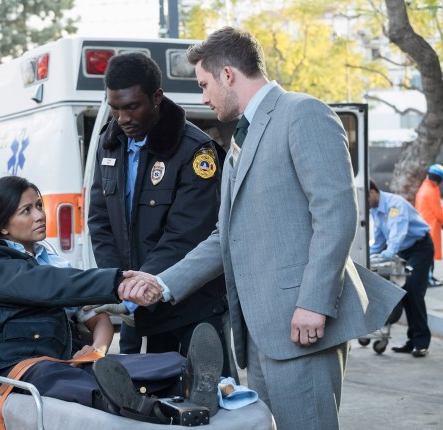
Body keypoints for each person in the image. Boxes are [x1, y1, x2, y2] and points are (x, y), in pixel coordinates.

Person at [118, 27, 404, 430]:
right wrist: (162, 284)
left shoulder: (303, 113)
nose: (203, 97)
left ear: (228, 75)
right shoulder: (242, 138)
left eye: (204, 85)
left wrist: (315, 303)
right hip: (262, 332)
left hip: (302, 322)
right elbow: (224, 238)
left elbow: (336, 215)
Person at [0, 176, 224, 422]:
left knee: (145, 364)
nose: (39, 215)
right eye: (26, 210)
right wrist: (116, 282)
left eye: (39, 205)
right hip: (8, 367)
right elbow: (42, 284)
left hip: (62, 360)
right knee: (56, 376)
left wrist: (97, 350)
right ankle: (142, 407)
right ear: (4, 226)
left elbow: (97, 316)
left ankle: (188, 380)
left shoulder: (55, 264)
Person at [87, 52, 230, 374]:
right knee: (141, 391)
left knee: (210, 390)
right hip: (135, 304)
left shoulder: (195, 150)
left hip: (188, 305)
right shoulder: (109, 143)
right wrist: (117, 281)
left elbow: (187, 233)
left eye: (132, 107)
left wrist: (138, 287)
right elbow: (100, 219)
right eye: (115, 108)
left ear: (156, 97)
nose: (123, 118)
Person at [369, 179, 432, 357]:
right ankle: (412, 341)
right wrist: (367, 256)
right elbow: (379, 239)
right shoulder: (375, 210)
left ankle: (421, 343)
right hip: (403, 250)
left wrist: (391, 250)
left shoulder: (394, 205)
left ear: (372, 192)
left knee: (414, 290)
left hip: (420, 248)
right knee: (403, 290)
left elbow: (398, 232)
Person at [414, 164, 443, 286]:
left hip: (424, 225)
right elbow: (438, 211)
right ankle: (429, 279)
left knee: (428, 253)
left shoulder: (424, 187)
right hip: (431, 226)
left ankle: (430, 277)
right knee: (429, 253)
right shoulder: (431, 191)